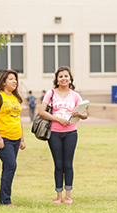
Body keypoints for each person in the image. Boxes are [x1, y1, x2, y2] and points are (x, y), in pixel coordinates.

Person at [38, 66, 88, 204]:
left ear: (70, 78)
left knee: (68, 164)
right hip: (54, 133)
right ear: (57, 79)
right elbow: (41, 112)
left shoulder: (75, 95)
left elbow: (85, 114)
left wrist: (79, 114)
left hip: (71, 133)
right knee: (58, 164)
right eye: (61, 76)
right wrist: (58, 119)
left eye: (66, 76)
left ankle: (68, 196)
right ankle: (58, 196)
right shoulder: (51, 93)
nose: (63, 79)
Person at [0, 69, 26, 207]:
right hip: (2, 138)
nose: (14, 81)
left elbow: (18, 120)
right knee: (11, 166)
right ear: (3, 82)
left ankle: (3, 199)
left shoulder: (15, 98)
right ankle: (6, 201)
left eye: (15, 79)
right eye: (11, 79)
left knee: (8, 167)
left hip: (15, 138)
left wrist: (22, 139)